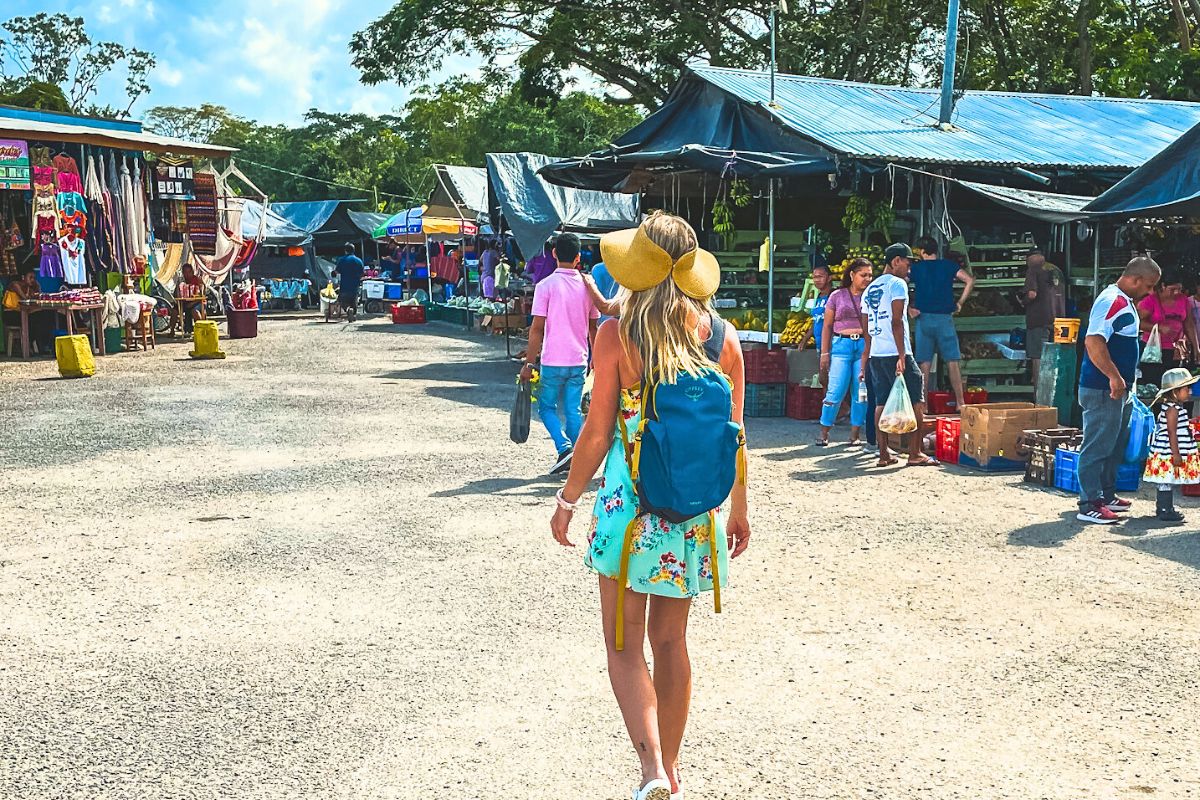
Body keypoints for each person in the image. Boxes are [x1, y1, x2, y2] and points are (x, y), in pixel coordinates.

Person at [549, 212, 751, 800]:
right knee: (672, 642)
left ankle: (651, 771)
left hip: (629, 510)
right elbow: (735, 436)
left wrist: (565, 502)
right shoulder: (722, 337)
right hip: (693, 512)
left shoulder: (618, 337)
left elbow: (594, 432)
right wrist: (738, 509)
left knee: (622, 643)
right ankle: (676, 769)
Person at [1076, 257, 1161, 524]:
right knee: (1097, 445)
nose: (1150, 292)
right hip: (1103, 388)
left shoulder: (1125, 302)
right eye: (1148, 286)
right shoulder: (1111, 300)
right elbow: (1093, 341)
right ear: (1135, 280)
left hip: (1118, 388)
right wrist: (1113, 377)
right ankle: (1089, 503)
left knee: (1113, 444)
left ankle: (1106, 494)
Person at [519, 233, 599, 474]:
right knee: (573, 409)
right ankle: (574, 458)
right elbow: (594, 328)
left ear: (553, 253)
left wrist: (528, 363)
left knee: (547, 408)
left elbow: (537, 329)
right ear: (578, 257)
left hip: (552, 360)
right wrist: (596, 358)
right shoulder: (588, 287)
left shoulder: (545, 287)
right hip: (579, 359)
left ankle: (564, 447)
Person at [861, 242, 937, 468]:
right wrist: (902, 355)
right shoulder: (897, 285)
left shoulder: (869, 289)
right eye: (907, 263)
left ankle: (883, 453)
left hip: (877, 353)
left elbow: (866, 327)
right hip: (896, 351)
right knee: (917, 399)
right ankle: (915, 453)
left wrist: (868, 354)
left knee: (880, 403)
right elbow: (896, 321)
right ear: (896, 261)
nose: (909, 269)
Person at [910, 237, 975, 409]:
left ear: (922, 252)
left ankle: (922, 405)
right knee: (952, 361)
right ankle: (960, 403)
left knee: (924, 363)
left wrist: (909, 308)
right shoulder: (948, 266)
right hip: (945, 319)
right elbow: (969, 280)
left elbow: (901, 283)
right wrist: (960, 302)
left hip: (923, 319)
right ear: (936, 250)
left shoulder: (916, 268)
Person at [816, 258, 873, 447]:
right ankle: (824, 432)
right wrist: (825, 353)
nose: (867, 279)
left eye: (870, 275)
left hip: (864, 347)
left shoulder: (871, 296)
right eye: (863, 275)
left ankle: (855, 434)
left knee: (861, 393)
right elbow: (827, 325)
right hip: (841, 346)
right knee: (835, 390)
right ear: (852, 275)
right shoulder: (837, 296)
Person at [1143, 368, 1200, 523]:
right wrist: (1176, 453)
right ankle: (1165, 509)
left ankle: (1164, 507)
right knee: (1166, 480)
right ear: (1175, 392)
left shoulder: (1174, 408)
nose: (1189, 391)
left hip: (1169, 449)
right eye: (1186, 388)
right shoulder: (1172, 410)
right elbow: (1171, 432)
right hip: (1168, 450)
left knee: (1166, 480)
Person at [1137, 270, 1198, 386]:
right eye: (1172, 289)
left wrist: (1196, 347)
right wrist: (1158, 328)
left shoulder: (1183, 300)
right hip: (1153, 351)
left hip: (1176, 350)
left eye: (1179, 289)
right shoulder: (1150, 301)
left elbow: (1189, 324)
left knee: (1175, 385)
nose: (1176, 293)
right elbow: (1138, 322)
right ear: (1163, 286)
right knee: (1154, 383)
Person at [1021, 250, 1065, 380]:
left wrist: (1023, 302)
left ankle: (1039, 397)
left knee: (1038, 357)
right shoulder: (1057, 271)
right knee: (1053, 358)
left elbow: (1032, 294)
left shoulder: (1033, 270)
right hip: (1058, 321)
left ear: (1028, 260)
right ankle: (1053, 395)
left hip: (1039, 320)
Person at [3, 268, 52, 353]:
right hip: (11, 315)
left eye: (34, 278)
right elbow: (25, 299)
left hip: (23, 313)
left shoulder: (30, 288)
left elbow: (38, 298)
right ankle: (26, 345)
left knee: (43, 316)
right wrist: (31, 291)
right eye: (30, 277)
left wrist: (38, 288)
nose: (33, 280)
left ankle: (40, 345)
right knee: (34, 319)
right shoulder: (15, 285)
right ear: (23, 277)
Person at [799, 265, 833, 352]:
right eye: (814, 277)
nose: (817, 280)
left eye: (820, 277)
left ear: (829, 278)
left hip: (832, 346)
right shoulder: (819, 297)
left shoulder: (834, 296)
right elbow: (816, 321)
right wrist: (805, 339)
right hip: (820, 345)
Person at [335, 242, 365, 323]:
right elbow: (362, 274)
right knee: (354, 301)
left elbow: (337, 271)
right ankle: (353, 314)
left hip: (344, 286)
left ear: (345, 250)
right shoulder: (359, 261)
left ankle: (348, 310)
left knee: (343, 301)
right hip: (355, 286)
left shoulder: (342, 260)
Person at [177, 263, 206, 334]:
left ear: (192, 272)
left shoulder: (198, 280)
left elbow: (202, 294)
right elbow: (178, 295)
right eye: (185, 272)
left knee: (194, 311)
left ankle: (202, 330)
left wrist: (193, 302)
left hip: (198, 302)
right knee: (174, 311)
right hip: (185, 302)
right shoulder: (181, 282)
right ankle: (172, 331)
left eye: (189, 272)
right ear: (183, 273)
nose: (187, 274)